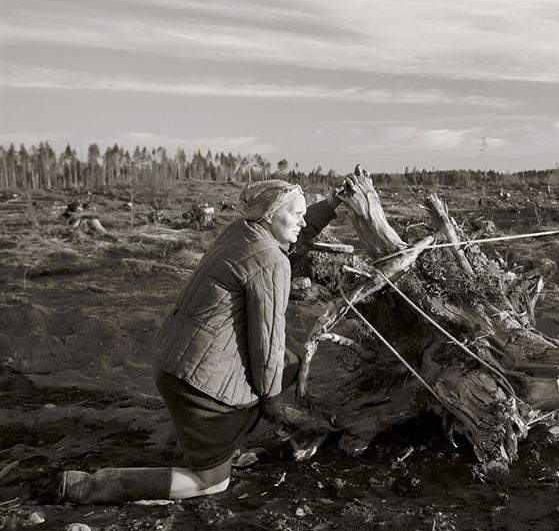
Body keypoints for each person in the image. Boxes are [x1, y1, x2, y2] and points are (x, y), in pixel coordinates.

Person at [55, 176, 360, 503]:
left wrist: (332, 204)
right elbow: (267, 342)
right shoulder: (271, 261)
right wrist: (273, 405)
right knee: (211, 484)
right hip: (199, 389)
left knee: (289, 364)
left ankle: (220, 442)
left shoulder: (241, 231)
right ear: (270, 215)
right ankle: (89, 486)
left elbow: (295, 235)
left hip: (174, 366)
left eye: (304, 213)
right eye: (295, 213)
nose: (302, 220)